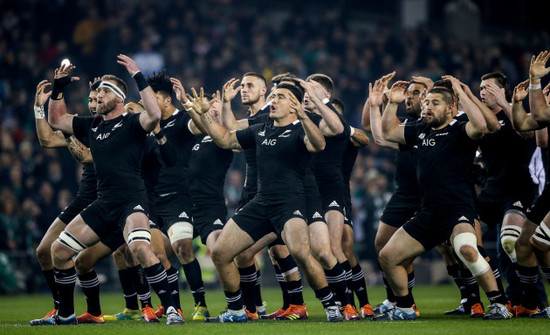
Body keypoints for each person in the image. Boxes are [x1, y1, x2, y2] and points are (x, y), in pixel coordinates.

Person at [33, 55, 182, 325]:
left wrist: (137, 75)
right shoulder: (92, 125)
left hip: (132, 201)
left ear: (119, 99)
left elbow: (155, 114)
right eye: (96, 91)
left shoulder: (132, 124)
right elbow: (56, 120)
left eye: (104, 91)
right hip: (104, 203)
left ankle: (171, 308)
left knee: (139, 248)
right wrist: (58, 88)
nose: (98, 95)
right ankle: (65, 315)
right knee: (58, 251)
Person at [190, 83, 343, 323]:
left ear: (294, 106)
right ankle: (237, 311)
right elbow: (225, 139)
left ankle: (331, 306)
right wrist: (201, 115)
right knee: (220, 252)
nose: (273, 99)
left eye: (280, 96)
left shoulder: (300, 128)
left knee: (302, 254)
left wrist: (304, 117)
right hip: (261, 203)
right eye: (273, 95)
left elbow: (319, 144)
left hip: (289, 203)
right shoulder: (259, 129)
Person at [377, 78, 511, 320]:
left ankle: (499, 304)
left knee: (468, 250)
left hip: (457, 210)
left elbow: (480, 126)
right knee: (388, 256)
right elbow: (387, 132)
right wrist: (391, 104)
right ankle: (406, 309)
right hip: (428, 213)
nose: (427, 106)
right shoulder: (420, 130)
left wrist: (460, 91)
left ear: (451, 108)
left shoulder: (460, 130)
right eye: (426, 102)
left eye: (435, 103)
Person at [477, 71, 547, 314]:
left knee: (510, 244)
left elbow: (527, 132)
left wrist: (507, 102)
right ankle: (487, 300)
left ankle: (536, 302)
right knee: (458, 237)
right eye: (481, 88)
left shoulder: (517, 113)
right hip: (491, 190)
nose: (483, 91)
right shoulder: (481, 120)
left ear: (503, 90)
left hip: (520, 188)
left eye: (489, 87)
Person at [144, 71, 209, 320]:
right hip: (151, 200)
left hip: (178, 197)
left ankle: (200, 304)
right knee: (154, 255)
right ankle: (173, 307)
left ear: (166, 100)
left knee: (182, 246)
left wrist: (188, 105)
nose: (149, 104)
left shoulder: (182, 120)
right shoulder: (146, 125)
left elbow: (203, 128)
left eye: (153, 99)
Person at [364, 73, 427, 316]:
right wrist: (375, 104)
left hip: (433, 195)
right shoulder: (409, 126)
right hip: (404, 193)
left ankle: (475, 299)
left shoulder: (436, 125)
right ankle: (399, 301)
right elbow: (379, 136)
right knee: (382, 245)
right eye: (408, 93)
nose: (409, 96)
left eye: (416, 93)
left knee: (457, 249)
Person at [332, 98, 373, 317]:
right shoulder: (314, 132)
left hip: (340, 195)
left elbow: (364, 139)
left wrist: (344, 128)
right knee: (329, 251)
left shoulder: (347, 136)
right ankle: (344, 302)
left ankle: (362, 303)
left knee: (345, 248)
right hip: (312, 195)